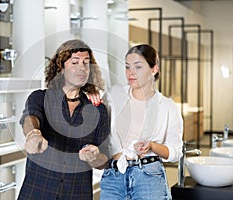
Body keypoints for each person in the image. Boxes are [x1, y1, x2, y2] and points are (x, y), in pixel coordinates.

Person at [17, 39, 110, 200]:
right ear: (61, 67)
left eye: (86, 63)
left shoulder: (98, 110)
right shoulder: (41, 98)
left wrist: (95, 158)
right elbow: (30, 118)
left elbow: (104, 159)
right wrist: (33, 134)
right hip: (37, 192)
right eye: (75, 62)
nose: (82, 67)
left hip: (77, 194)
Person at [91, 44, 183, 200]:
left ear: (154, 69)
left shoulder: (167, 107)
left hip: (148, 178)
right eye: (127, 67)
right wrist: (90, 94)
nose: (130, 73)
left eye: (138, 67)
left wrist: (152, 146)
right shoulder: (114, 96)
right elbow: (95, 124)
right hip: (113, 178)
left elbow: (175, 152)